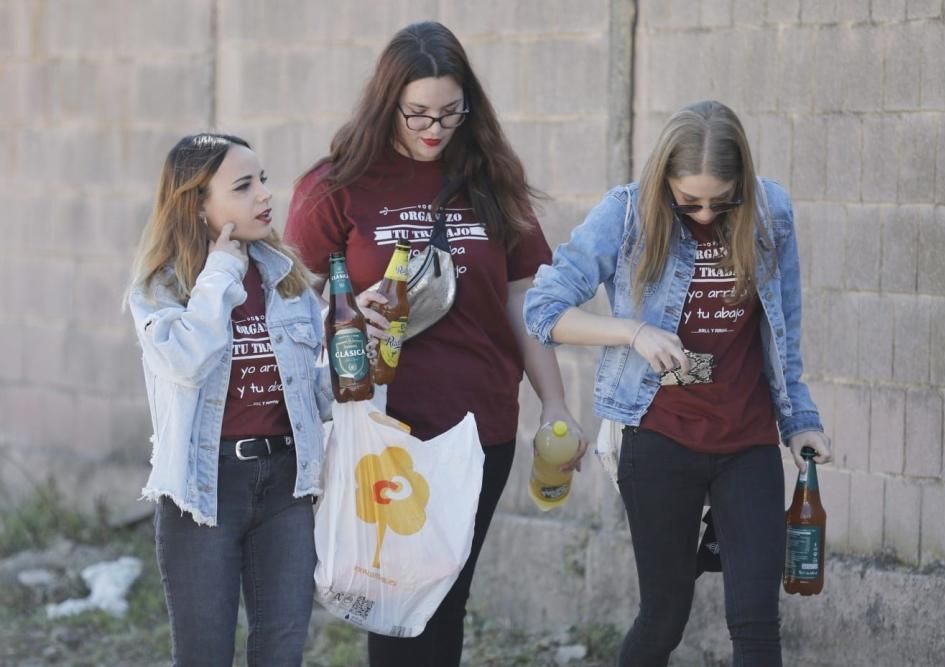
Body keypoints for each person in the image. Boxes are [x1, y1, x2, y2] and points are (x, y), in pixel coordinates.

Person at [284, 20, 584, 667]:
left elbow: (522, 299)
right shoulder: (340, 183)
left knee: (447, 594)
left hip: (479, 428)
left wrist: (555, 402)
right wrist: (342, 316)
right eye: (417, 113)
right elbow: (287, 291)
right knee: (398, 599)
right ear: (387, 101)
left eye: (450, 113)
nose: (433, 129)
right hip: (382, 429)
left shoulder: (491, 177)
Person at [523, 100, 832, 666]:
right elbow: (543, 310)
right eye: (689, 202)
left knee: (757, 621)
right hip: (657, 438)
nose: (708, 215)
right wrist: (633, 332)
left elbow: (784, 333)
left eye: (724, 200)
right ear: (663, 180)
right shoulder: (626, 214)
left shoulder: (772, 213)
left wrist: (800, 420)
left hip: (747, 442)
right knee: (665, 616)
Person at [125, 133, 332, 666]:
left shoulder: (286, 279)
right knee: (204, 656)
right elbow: (187, 361)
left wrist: (368, 346)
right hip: (205, 490)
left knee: (281, 653)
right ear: (197, 204)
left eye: (262, 180)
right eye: (243, 186)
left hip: (287, 483)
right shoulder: (160, 288)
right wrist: (219, 274)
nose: (265, 195)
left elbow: (316, 397)